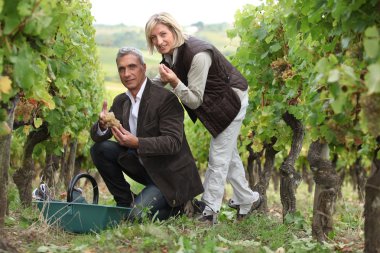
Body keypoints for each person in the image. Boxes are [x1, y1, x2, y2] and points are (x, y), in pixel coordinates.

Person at [145, 12, 262, 223]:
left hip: (231, 100)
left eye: (163, 34)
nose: (159, 41)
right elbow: (159, 80)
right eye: (153, 38)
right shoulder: (173, 54)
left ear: (174, 30)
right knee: (228, 154)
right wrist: (137, 93)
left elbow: (195, 100)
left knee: (218, 156)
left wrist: (174, 82)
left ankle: (209, 211)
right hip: (215, 103)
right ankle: (248, 199)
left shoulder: (198, 54)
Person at [90, 46, 203, 222]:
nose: (126, 73)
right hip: (146, 168)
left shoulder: (165, 99)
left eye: (132, 67)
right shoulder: (121, 101)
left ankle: (183, 205)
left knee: (137, 217)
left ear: (143, 67)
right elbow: (99, 136)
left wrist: (137, 142)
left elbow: (173, 142)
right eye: (122, 69)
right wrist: (102, 124)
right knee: (100, 149)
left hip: (170, 175)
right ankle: (125, 202)